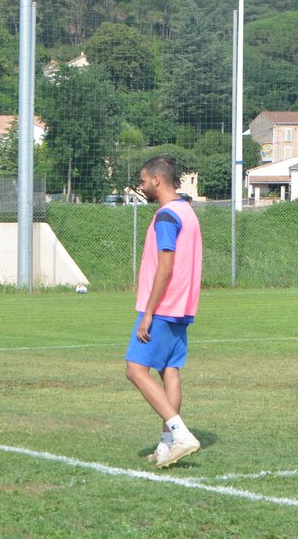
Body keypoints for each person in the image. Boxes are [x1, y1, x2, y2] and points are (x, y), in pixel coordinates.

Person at [124, 155, 204, 469]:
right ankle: (167, 445)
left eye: (143, 182)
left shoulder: (167, 215)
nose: (142, 188)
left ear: (157, 180)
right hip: (182, 307)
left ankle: (180, 434)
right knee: (169, 371)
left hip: (163, 307)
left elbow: (165, 267)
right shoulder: (187, 211)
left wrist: (148, 313)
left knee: (135, 370)